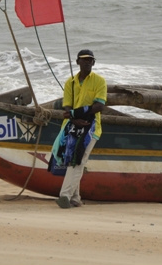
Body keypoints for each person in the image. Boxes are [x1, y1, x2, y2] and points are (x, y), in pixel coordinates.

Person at [55, 49, 107, 209]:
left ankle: (64, 195)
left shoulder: (99, 81)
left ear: (94, 62)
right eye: (84, 59)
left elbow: (99, 106)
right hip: (72, 126)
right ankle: (76, 198)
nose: (87, 62)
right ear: (78, 62)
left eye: (90, 60)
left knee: (79, 159)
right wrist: (74, 118)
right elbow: (67, 105)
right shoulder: (70, 82)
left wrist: (78, 116)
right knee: (71, 159)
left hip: (91, 127)